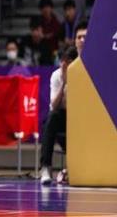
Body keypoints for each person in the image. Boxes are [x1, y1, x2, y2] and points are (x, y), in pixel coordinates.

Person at [40, 46, 78, 185]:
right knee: (50, 119)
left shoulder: (82, 75)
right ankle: (46, 167)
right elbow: (54, 105)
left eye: (67, 61)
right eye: (62, 61)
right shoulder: (56, 76)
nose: (64, 65)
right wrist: (64, 84)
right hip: (61, 117)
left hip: (78, 117)